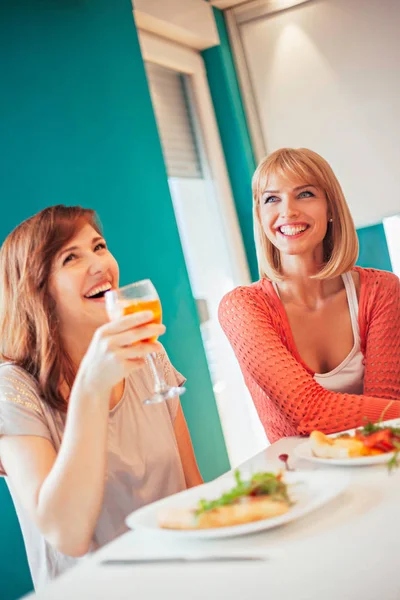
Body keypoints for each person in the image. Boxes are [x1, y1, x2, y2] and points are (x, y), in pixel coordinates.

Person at [0, 205, 202, 588]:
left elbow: (191, 484)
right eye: (71, 257)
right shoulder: (11, 389)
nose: (99, 264)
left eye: (99, 246)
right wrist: (91, 389)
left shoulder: (149, 354)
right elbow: (67, 534)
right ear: (36, 289)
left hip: (182, 577)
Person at [219, 148, 400, 443]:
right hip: (300, 482)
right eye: (271, 198)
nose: (287, 211)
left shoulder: (381, 291)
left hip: (381, 465)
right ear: (261, 216)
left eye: (304, 194)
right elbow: (309, 414)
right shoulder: (242, 308)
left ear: (330, 208)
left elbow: (386, 420)